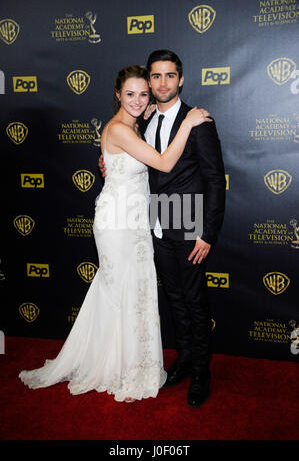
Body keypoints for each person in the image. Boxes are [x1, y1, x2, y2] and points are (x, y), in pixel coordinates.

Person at [19, 64, 211, 403]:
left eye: (143, 94)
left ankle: (133, 362)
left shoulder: (137, 122)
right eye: (130, 95)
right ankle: (114, 366)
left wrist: (150, 115)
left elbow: (143, 143)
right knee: (120, 290)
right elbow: (164, 163)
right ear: (117, 95)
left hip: (141, 221)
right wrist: (189, 122)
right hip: (118, 222)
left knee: (131, 292)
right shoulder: (120, 129)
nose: (138, 101)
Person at [99, 50, 226, 408]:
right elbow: (134, 158)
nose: (162, 83)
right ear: (149, 82)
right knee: (174, 299)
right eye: (155, 77)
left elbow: (216, 180)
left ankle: (202, 370)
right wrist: (108, 160)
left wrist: (207, 232)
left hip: (188, 224)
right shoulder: (146, 119)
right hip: (154, 224)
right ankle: (185, 360)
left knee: (195, 300)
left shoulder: (197, 120)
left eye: (170, 76)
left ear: (180, 79)